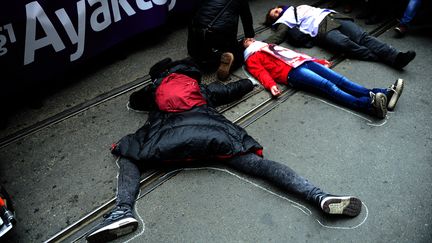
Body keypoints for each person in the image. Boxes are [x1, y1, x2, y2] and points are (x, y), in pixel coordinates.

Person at [86, 58, 363, 242]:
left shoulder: (155, 93)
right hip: (214, 137)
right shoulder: (199, 89)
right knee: (261, 167)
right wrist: (249, 82)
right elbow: (233, 89)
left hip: (164, 143)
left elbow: (135, 101)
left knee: (129, 155)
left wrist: (154, 86)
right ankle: (320, 197)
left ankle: (123, 211)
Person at [243, 39, 404, 119]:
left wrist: (318, 61)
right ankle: (368, 105)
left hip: (303, 62)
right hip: (292, 73)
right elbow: (261, 73)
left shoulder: (267, 45)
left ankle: (382, 94)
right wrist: (271, 85)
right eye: (246, 41)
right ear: (245, 47)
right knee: (329, 86)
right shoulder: (251, 57)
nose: (250, 40)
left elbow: (292, 53)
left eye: (250, 38)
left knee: (341, 80)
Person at [263, 4, 416, 69]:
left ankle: (396, 57)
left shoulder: (296, 7)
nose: (278, 11)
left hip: (332, 17)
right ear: (275, 19)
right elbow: (278, 36)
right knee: (346, 44)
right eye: (275, 14)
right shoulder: (283, 22)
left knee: (362, 37)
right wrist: (258, 45)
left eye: (277, 9)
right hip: (320, 29)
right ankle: (389, 58)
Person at [187, 0, 255, 80]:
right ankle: (228, 57)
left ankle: (213, 56)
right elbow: (246, 16)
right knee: (238, 53)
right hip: (221, 31)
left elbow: (196, 10)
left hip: (197, 28)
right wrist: (249, 36)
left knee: (198, 55)